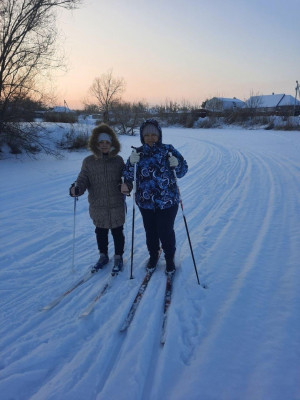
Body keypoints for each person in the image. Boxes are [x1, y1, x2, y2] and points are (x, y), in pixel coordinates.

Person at [121, 119, 188, 274]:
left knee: (165, 231)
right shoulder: (137, 153)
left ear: (159, 135)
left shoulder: (168, 150)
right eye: (147, 135)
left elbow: (183, 171)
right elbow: (127, 175)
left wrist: (176, 163)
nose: (150, 138)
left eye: (154, 134)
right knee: (150, 232)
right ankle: (153, 255)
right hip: (145, 203)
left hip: (168, 201)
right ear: (142, 137)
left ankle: (169, 258)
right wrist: (131, 163)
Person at [69, 123, 126, 274]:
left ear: (112, 143)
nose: (104, 145)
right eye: (101, 142)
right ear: (96, 144)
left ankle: (118, 257)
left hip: (116, 205)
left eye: (107, 142)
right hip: (98, 205)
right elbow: (82, 180)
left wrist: (127, 186)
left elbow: (127, 178)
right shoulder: (88, 162)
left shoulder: (118, 160)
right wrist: (77, 189)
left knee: (117, 231)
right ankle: (103, 255)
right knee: (100, 232)